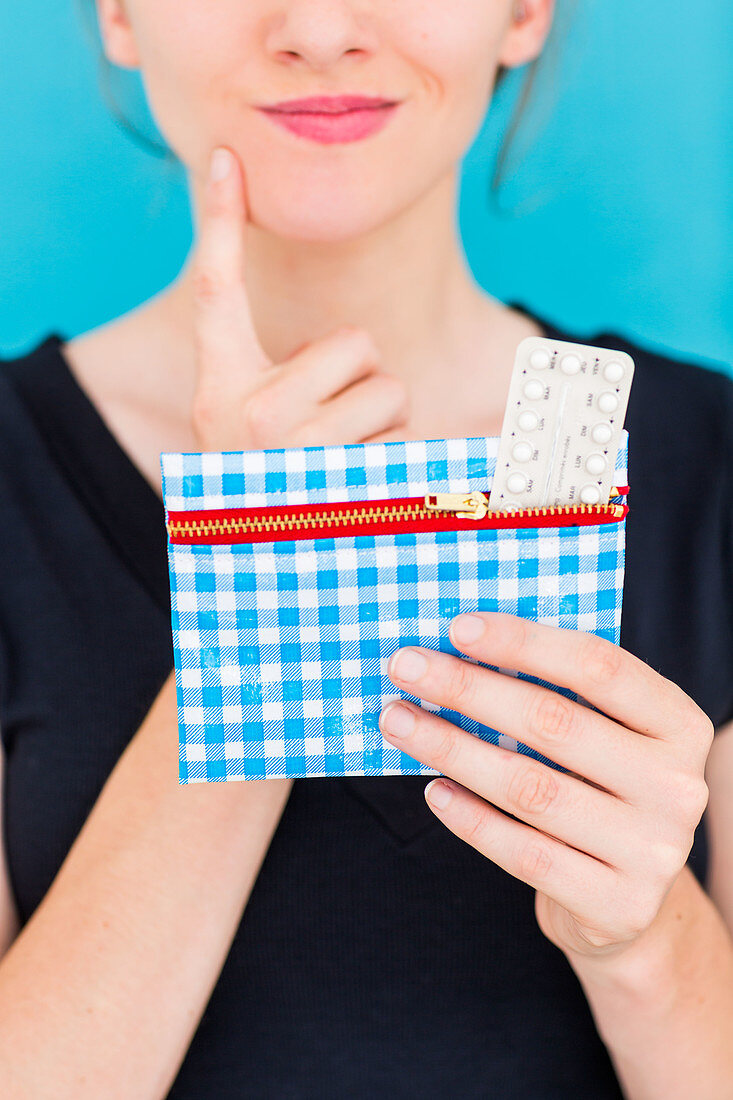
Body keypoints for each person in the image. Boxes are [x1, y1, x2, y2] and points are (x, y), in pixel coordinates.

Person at [1, 0, 733, 1096]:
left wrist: (642, 934)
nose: (321, 27)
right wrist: (253, 576)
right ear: (116, 11)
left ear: (524, 10)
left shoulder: (711, 468)